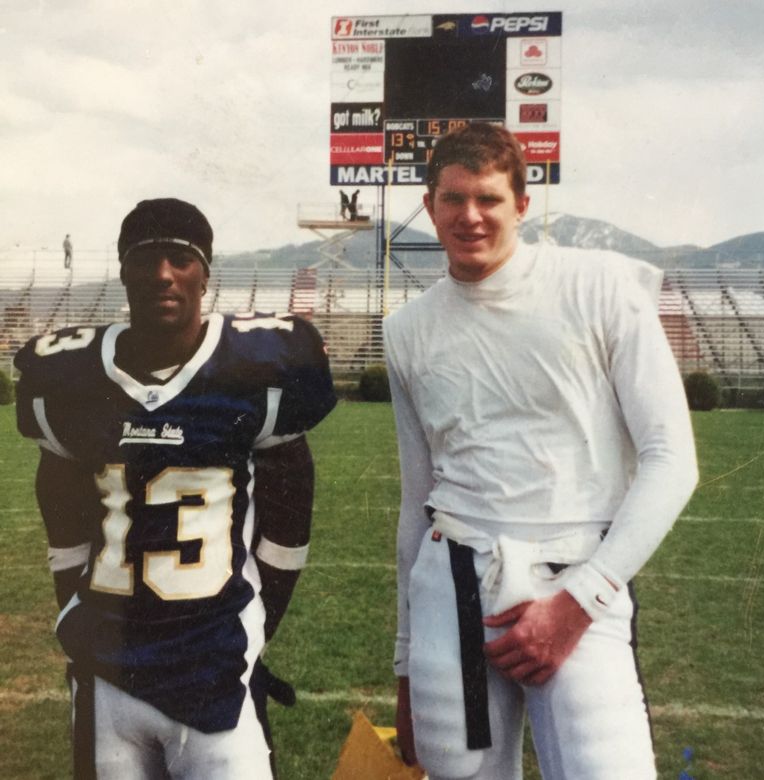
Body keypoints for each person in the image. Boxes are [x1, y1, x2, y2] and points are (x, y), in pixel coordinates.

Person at [383, 124, 698, 779]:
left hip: (576, 580)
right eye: (453, 198)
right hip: (452, 594)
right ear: (429, 203)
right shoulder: (406, 330)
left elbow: (672, 459)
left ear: (522, 205)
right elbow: (418, 500)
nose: (470, 216)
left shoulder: (602, 285)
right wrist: (406, 665)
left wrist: (580, 603)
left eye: (490, 199)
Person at [15, 198, 337, 779]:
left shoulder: (254, 369)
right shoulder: (74, 378)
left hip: (214, 670)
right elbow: (58, 489)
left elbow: (292, 504)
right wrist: (69, 599)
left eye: (179, 259)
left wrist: (257, 621)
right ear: (124, 272)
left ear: (205, 273)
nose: (163, 274)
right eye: (146, 260)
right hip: (109, 670)